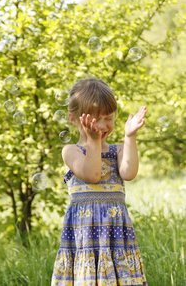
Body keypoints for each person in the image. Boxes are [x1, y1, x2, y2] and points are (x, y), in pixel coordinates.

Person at [51, 78, 148, 286]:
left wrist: (130, 137)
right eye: (96, 119)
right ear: (73, 119)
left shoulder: (118, 150)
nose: (103, 125)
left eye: (108, 117)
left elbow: (129, 172)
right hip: (86, 236)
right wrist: (94, 141)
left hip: (115, 235)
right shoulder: (71, 151)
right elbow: (92, 174)